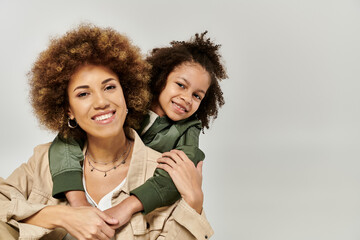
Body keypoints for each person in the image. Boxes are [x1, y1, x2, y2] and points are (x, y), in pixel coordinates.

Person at [0, 24, 213, 240]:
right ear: (69, 110)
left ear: (127, 93)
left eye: (110, 87)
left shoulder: (169, 175)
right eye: (83, 94)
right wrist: (61, 216)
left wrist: (193, 204)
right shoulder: (44, 162)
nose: (101, 102)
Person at [48, 30, 227, 224]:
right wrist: (78, 202)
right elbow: (66, 140)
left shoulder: (188, 129)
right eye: (181, 85)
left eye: (197, 96)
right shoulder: (130, 103)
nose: (186, 98)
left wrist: (128, 206)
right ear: (162, 78)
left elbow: (181, 175)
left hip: (143, 210)